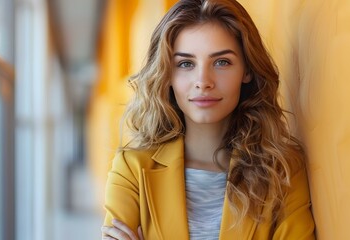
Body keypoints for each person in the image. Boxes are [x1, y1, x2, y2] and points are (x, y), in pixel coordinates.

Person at [101, 0, 315, 239]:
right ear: (167, 73)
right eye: (185, 64)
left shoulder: (283, 170)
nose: (203, 81)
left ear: (247, 70)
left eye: (222, 62)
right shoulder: (131, 169)